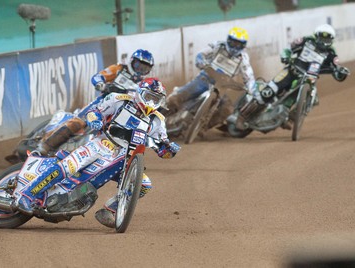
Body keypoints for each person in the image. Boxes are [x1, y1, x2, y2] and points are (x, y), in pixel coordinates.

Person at [16, 77, 181, 228]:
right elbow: (95, 112)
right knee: (69, 166)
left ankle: (110, 210)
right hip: (103, 143)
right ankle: (27, 194)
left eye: (156, 99)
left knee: (144, 185)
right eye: (149, 96)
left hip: (125, 157)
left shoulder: (158, 121)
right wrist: (95, 120)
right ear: (140, 93)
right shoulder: (119, 100)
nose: (151, 102)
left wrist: (170, 150)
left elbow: (163, 149)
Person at [37, 49, 155, 155]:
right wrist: (103, 86)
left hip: (120, 112)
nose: (140, 70)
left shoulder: (142, 85)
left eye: (145, 69)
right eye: (139, 66)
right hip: (101, 104)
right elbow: (98, 77)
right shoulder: (119, 69)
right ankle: (46, 146)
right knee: (78, 123)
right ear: (132, 62)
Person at [236, 24, 350, 129]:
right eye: (322, 37)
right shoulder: (305, 41)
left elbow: (337, 71)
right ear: (316, 36)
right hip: (291, 71)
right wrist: (286, 56)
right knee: (268, 92)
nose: (324, 41)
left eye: (327, 39)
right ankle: (242, 117)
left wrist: (341, 72)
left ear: (331, 40)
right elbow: (288, 49)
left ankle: (291, 119)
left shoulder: (331, 53)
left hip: (308, 79)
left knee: (313, 98)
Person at [166, 26, 256, 132]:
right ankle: (156, 117)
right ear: (228, 40)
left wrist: (251, 89)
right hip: (204, 79)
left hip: (221, 88)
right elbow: (201, 54)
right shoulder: (218, 46)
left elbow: (249, 77)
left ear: (243, 45)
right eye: (233, 43)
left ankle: (201, 127)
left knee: (227, 110)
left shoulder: (243, 58)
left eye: (238, 44)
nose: (235, 46)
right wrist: (202, 62)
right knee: (175, 99)